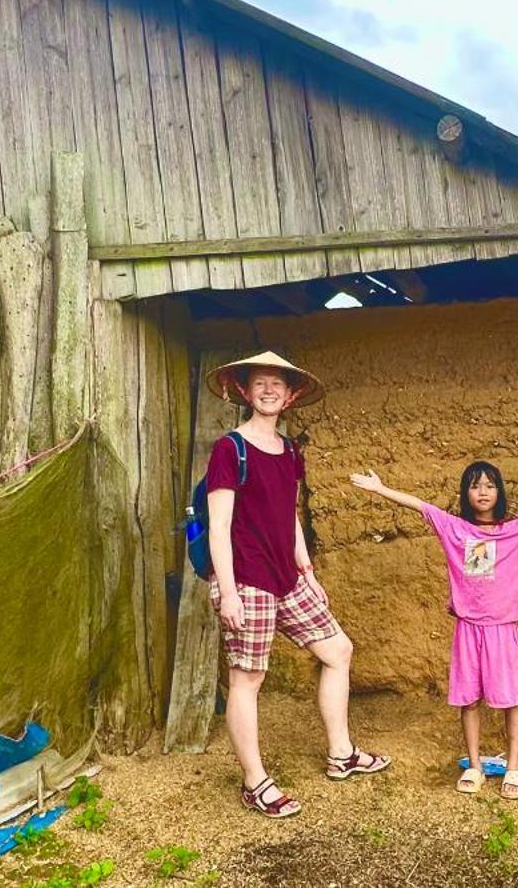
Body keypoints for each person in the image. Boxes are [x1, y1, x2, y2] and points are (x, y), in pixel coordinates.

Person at [350, 462, 518, 799]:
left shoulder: (516, 530)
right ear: (466, 493)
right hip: (468, 629)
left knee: (512, 698)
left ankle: (514, 765)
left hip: (502, 628)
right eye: (475, 485)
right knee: (468, 699)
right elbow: (421, 505)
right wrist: (381, 490)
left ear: (499, 492)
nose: (483, 491)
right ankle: (476, 766)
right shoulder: (455, 529)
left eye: (490, 485)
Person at [203, 350, 389, 819]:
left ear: (290, 397)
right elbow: (219, 526)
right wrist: (227, 592)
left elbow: (288, 517)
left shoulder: (289, 451)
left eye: (277, 385)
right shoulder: (230, 449)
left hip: (287, 578)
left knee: (338, 651)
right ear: (245, 392)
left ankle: (341, 753)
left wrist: (308, 571)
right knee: (248, 678)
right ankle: (254, 781)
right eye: (259, 384)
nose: (268, 391)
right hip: (246, 579)